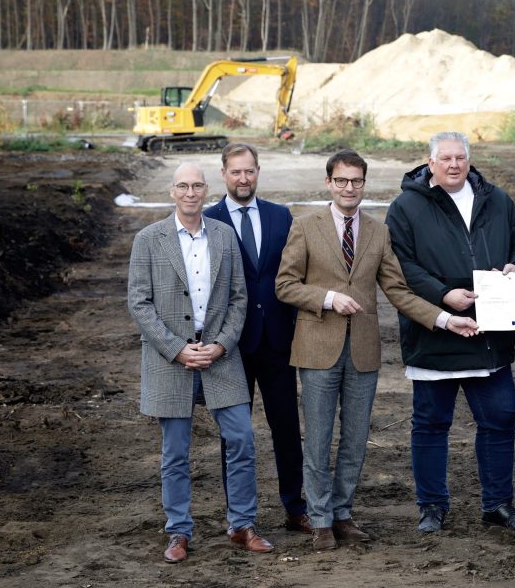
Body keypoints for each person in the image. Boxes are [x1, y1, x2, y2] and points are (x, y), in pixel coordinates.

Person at [276, 149, 480, 551]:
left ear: (364, 184)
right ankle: (318, 519)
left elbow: (398, 291)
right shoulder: (305, 227)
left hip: (363, 352)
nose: (348, 188)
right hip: (318, 348)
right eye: (341, 181)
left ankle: (342, 513)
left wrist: (443, 319)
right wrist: (329, 298)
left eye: (356, 181)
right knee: (317, 440)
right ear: (328, 183)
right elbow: (285, 285)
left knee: (354, 441)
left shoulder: (377, 231)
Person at [385, 131, 515, 534]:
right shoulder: (406, 207)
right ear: (429, 163)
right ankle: (432, 507)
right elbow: (402, 266)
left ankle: (498, 505)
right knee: (431, 424)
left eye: (460, 158)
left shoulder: (496, 199)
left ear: (469, 161)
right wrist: (442, 295)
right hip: (435, 335)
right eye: (445, 158)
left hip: (489, 337)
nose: (454, 165)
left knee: (500, 419)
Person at [127, 162, 273, 563]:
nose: (190, 193)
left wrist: (222, 345)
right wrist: (176, 348)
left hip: (219, 357)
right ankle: (178, 531)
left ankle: (242, 525)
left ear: (207, 190)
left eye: (196, 186)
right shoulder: (148, 239)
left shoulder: (225, 236)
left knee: (241, 438)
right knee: (175, 451)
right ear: (172, 191)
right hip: (170, 359)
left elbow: (240, 297)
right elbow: (139, 302)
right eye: (182, 186)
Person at [204, 142, 310, 535]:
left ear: (258, 172)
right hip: (229, 345)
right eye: (235, 172)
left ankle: (296, 506)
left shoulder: (281, 217)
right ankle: (238, 515)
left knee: (286, 427)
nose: (243, 178)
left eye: (249, 171)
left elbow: (294, 273)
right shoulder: (209, 219)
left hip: (279, 341)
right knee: (235, 434)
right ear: (224, 175)